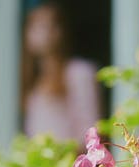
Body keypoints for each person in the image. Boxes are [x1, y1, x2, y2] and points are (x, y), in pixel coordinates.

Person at [22, 2, 101, 144]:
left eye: (51, 25)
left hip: (68, 163)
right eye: (37, 25)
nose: (45, 33)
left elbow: (90, 133)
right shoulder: (31, 79)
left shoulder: (78, 73)